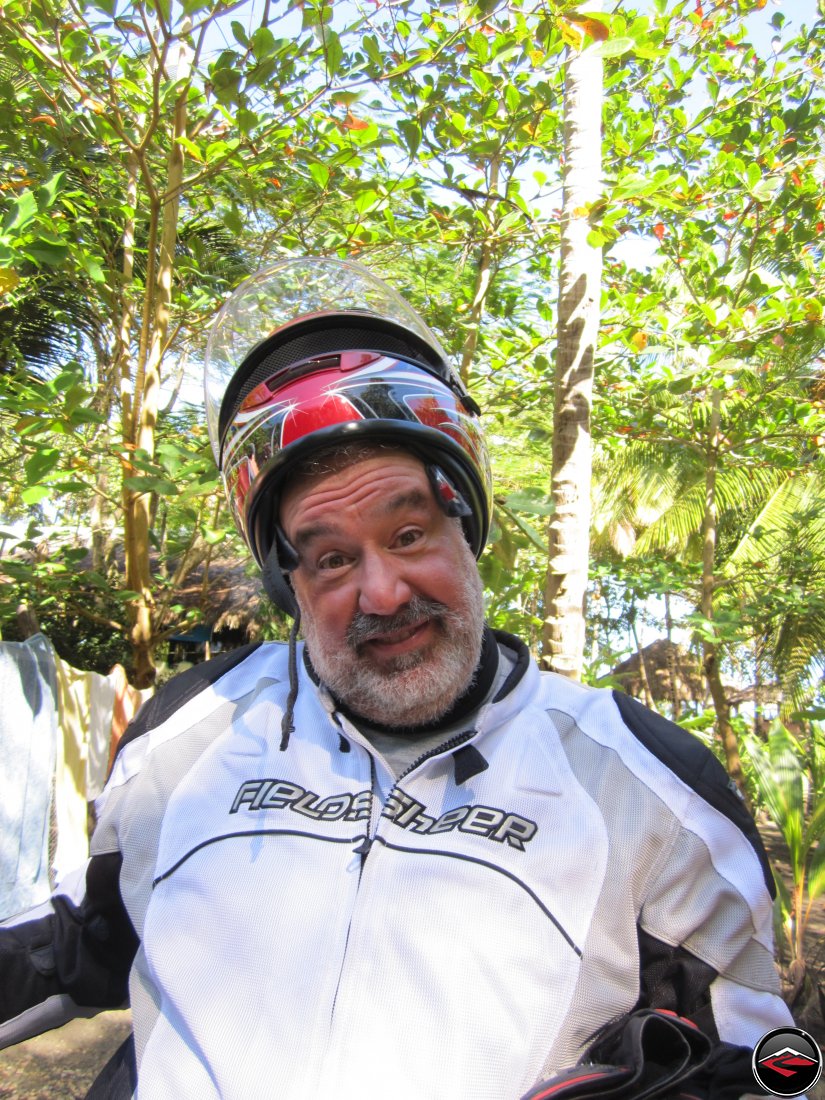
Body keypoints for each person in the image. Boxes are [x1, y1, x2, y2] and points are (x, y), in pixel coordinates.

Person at [0, 258, 798, 1099]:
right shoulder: (187, 731)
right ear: (288, 584)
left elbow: (773, 1071)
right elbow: (95, 941)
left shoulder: (648, 792)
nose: (380, 593)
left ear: (467, 527)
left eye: (409, 532)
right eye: (332, 557)